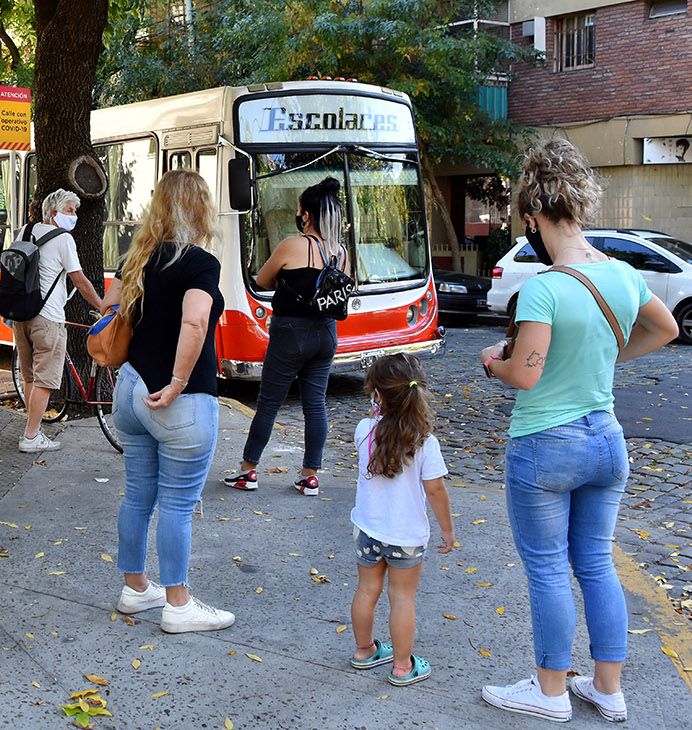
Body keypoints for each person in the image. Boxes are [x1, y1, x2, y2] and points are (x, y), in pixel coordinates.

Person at [479, 138, 677, 723]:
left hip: (547, 445)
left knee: (547, 568)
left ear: (534, 215)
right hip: (606, 440)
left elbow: (525, 376)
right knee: (595, 563)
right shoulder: (621, 274)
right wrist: (609, 358)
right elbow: (663, 329)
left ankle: (549, 692)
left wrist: (491, 360)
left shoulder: (543, 286)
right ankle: (608, 690)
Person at [102, 170, 230, 633]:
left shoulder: (135, 259)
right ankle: (178, 604)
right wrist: (177, 381)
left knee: (137, 495)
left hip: (130, 389)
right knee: (177, 504)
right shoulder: (199, 262)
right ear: (199, 209)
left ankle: (135, 589)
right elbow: (195, 323)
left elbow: (108, 311)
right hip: (179, 400)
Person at [223, 177, 345, 495]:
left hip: (291, 333)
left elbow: (263, 280)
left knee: (269, 404)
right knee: (315, 405)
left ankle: (248, 471)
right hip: (326, 334)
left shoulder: (294, 244)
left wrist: (288, 282)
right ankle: (310, 476)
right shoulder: (339, 252)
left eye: (299, 210)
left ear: (306, 215)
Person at [348, 354, 453, 688]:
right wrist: (447, 529)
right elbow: (435, 490)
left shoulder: (364, 430)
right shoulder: (425, 443)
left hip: (368, 529)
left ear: (377, 395)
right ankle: (403, 667)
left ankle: (364, 651)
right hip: (406, 537)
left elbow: (376, 438)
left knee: (367, 590)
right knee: (403, 599)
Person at [15, 189, 103, 452]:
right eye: (69, 210)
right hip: (48, 317)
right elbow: (79, 280)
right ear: (53, 213)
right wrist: (102, 305)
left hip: (22, 315)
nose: (74, 215)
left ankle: (32, 431)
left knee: (30, 376)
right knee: (45, 380)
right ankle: (31, 437)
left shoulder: (23, 232)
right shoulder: (63, 238)